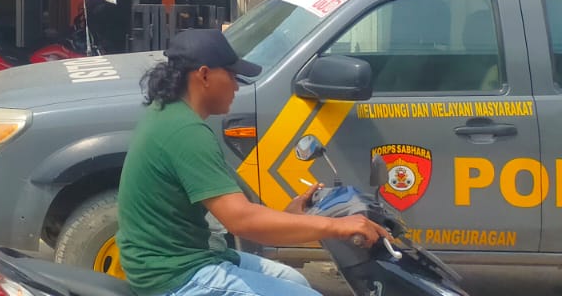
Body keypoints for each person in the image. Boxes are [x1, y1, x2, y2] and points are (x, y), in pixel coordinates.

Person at [117, 29, 388, 296]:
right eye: (232, 75)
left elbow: (236, 214)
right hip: (175, 275)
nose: (237, 86)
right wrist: (337, 226)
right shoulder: (186, 132)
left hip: (186, 256)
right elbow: (241, 221)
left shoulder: (167, 112)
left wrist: (288, 217)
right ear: (204, 75)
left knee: (294, 279)